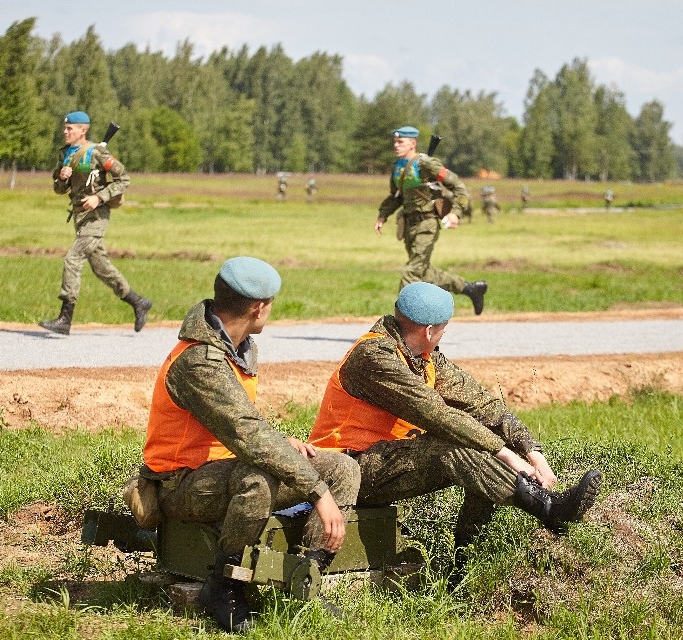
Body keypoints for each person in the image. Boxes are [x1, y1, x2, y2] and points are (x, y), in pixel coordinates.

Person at [308, 282, 602, 567]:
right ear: (429, 330)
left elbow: (482, 405)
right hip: (347, 470)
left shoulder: (422, 355)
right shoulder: (374, 357)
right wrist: (508, 455)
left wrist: (531, 451)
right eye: (445, 326)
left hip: (384, 461)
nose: (446, 332)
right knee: (452, 446)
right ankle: (549, 509)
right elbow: (437, 415)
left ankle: (466, 556)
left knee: (475, 441)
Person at [139, 257, 360, 632]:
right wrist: (317, 493)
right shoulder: (200, 361)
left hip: (221, 468)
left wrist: (282, 442)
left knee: (341, 467)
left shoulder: (236, 347)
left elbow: (244, 424)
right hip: (179, 484)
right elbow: (248, 434)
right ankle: (223, 587)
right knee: (258, 475)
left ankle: (306, 578)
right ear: (259, 307)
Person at [39, 111, 151, 336]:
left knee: (72, 259)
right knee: (102, 269)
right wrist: (62, 178)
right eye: (65, 128)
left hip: (97, 216)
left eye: (70, 128)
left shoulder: (97, 153)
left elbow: (124, 178)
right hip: (80, 217)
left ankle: (65, 318)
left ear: (83, 130)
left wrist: (99, 197)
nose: (65, 131)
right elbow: (59, 189)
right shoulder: (65, 155)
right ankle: (138, 301)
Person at [374, 126, 488, 315]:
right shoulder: (398, 167)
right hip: (409, 226)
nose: (396, 145)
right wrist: (383, 215)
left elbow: (460, 188)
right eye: (394, 141)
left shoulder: (427, 164)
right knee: (424, 272)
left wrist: (455, 213)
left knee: (410, 273)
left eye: (400, 142)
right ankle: (470, 288)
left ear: (413, 143)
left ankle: (400, 325)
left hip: (427, 224)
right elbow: (396, 196)